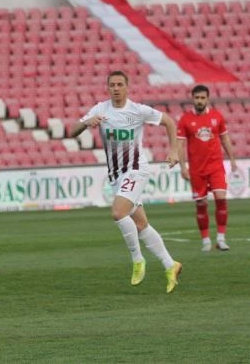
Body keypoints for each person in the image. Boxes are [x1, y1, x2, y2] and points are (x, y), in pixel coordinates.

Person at [69, 71, 183, 294]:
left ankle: (138, 259)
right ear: (108, 88)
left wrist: (173, 150)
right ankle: (171, 265)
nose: (116, 88)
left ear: (127, 87)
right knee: (141, 225)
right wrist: (86, 123)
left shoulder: (138, 110)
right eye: (112, 85)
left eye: (120, 84)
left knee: (118, 213)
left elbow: (169, 121)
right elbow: (72, 130)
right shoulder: (100, 109)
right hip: (116, 176)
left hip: (136, 170)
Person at [176, 84, 239, 252]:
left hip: (216, 166)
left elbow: (225, 140)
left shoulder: (217, 117)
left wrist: (232, 160)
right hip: (197, 170)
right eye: (197, 98)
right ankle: (205, 240)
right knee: (201, 204)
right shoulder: (185, 120)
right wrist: (183, 167)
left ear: (208, 99)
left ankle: (221, 238)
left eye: (202, 98)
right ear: (193, 99)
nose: (200, 100)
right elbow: (180, 145)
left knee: (221, 199)